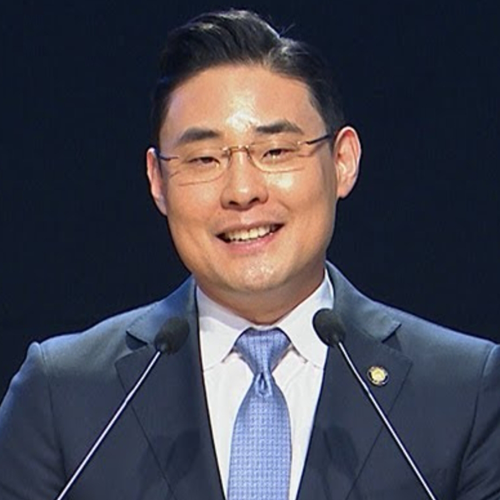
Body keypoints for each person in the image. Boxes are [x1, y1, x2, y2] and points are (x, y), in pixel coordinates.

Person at [1, 9, 499, 500]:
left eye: (275, 151)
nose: (242, 191)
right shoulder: (63, 396)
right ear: (158, 181)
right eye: (203, 159)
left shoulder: (463, 393)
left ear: (342, 161)